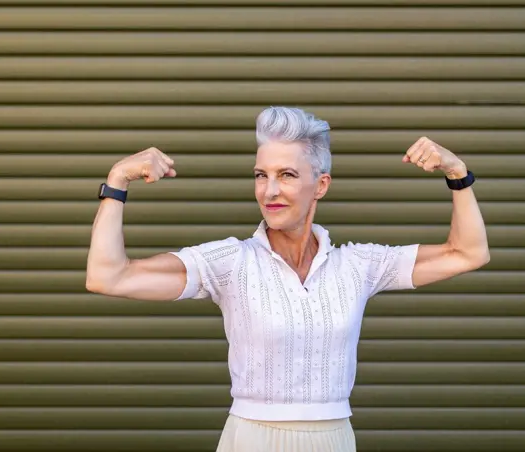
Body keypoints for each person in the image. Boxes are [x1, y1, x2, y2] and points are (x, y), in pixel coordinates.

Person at [86, 106, 490, 451]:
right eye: (261, 175)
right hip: (251, 439)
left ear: (321, 185)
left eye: (287, 175)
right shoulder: (230, 262)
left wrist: (457, 174)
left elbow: (468, 253)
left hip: (334, 438)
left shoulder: (358, 265)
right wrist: (117, 181)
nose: (269, 191)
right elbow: (109, 277)